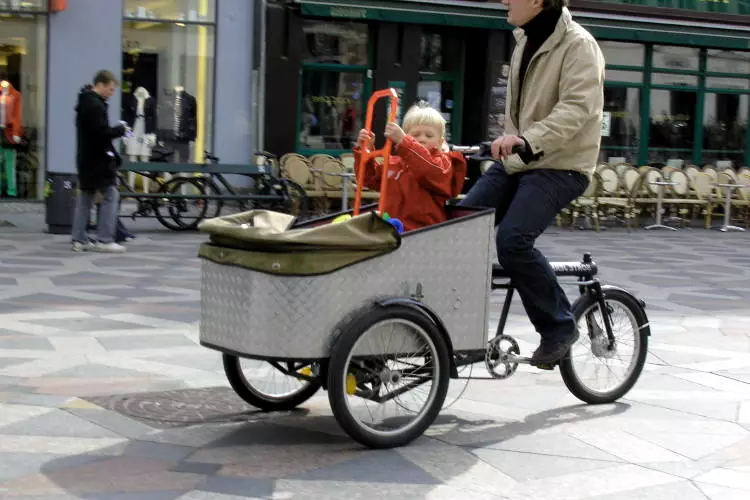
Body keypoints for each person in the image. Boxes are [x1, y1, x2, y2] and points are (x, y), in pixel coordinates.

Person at [459, 0, 605, 366]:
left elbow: (576, 108)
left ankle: (559, 326)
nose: (505, 1)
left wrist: (528, 140)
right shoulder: (524, 40)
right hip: (518, 161)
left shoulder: (579, 45)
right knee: (459, 224)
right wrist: (511, 143)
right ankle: (449, 324)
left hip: (561, 164)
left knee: (512, 240)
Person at [353, 104, 467, 232]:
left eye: (429, 136)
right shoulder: (395, 163)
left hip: (424, 232)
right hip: (391, 229)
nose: (422, 139)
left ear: (440, 143)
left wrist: (405, 142)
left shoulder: (443, 163)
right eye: (415, 135)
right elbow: (368, 178)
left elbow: (428, 169)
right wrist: (364, 151)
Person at [71, 71, 129, 253]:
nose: (112, 93)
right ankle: (104, 239)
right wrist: (119, 130)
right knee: (111, 194)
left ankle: (79, 239)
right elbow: (100, 133)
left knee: (85, 198)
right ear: (101, 85)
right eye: (110, 89)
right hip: (97, 160)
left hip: (86, 159)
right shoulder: (95, 105)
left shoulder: (86, 102)